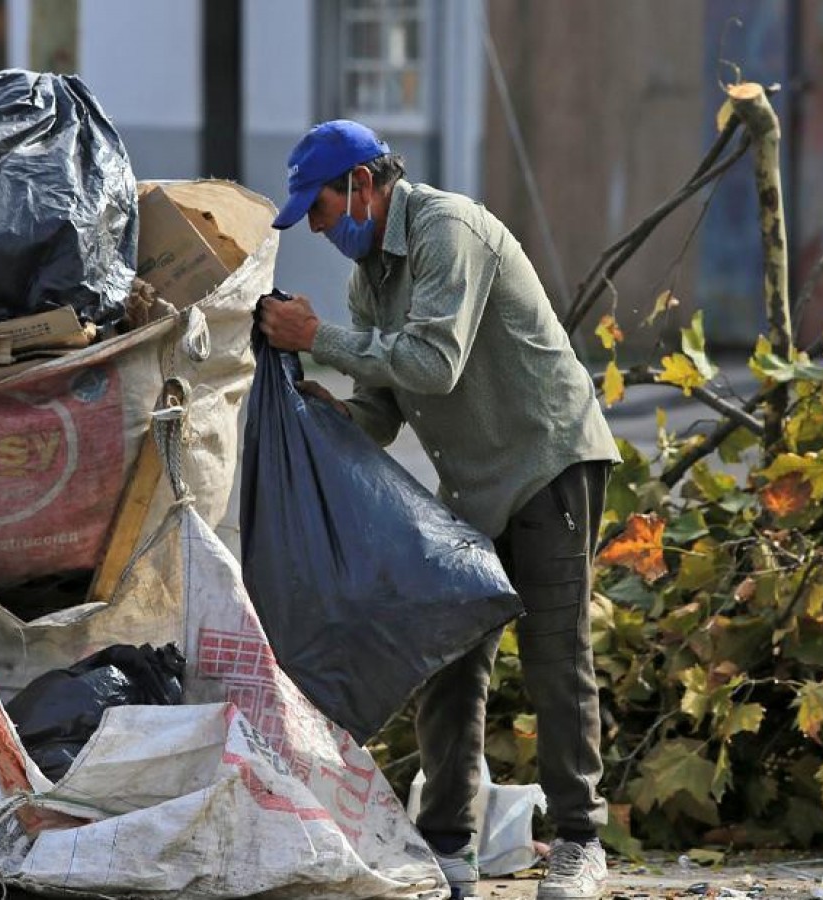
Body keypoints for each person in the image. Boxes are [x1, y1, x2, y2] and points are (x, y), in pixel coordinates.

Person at [258, 120, 621, 900]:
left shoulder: (445, 230)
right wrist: (326, 411)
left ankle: (580, 842)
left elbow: (435, 363)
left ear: (360, 185)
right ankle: (447, 844)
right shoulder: (370, 283)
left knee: (557, 656)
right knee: (451, 652)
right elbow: (382, 412)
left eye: (319, 211)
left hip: (549, 460)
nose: (318, 230)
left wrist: (319, 336)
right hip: (475, 486)